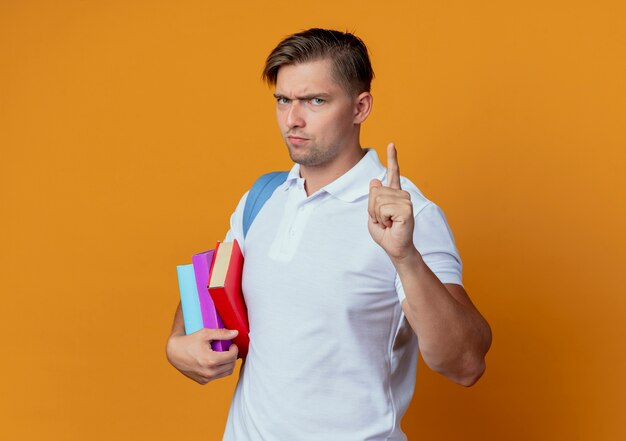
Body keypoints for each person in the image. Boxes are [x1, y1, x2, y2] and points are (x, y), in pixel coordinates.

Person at [166, 28, 492, 440]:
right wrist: (178, 341)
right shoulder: (263, 197)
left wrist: (405, 257)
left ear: (360, 107)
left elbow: (466, 363)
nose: (292, 120)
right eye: (284, 100)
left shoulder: (409, 217)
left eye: (315, 101)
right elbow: (210, 287)